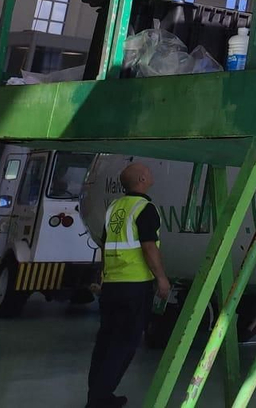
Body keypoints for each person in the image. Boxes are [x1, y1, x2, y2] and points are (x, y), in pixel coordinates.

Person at [86, 162, 170, 408]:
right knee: (125, 343)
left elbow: (106, 245)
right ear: (142, 179)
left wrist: (103, 277)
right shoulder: (145, 208)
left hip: (113, 285)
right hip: (134, 286)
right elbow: (148, 247)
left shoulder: (115, 208)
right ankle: (99, 400)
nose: (152, 173)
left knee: (106, 341)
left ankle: (97, 395)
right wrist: (162, 278)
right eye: (149, 171)